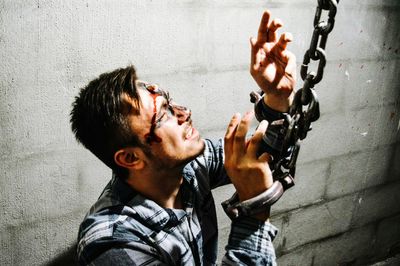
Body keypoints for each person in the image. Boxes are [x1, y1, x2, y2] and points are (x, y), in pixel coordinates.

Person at [71, 9, 296, 265]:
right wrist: (253, 213)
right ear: (131, 158)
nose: (185, 113)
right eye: (164, 114)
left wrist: (277, 98)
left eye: (170, 101)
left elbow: (262, 159)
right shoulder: (113, 246)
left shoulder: (189, 169)